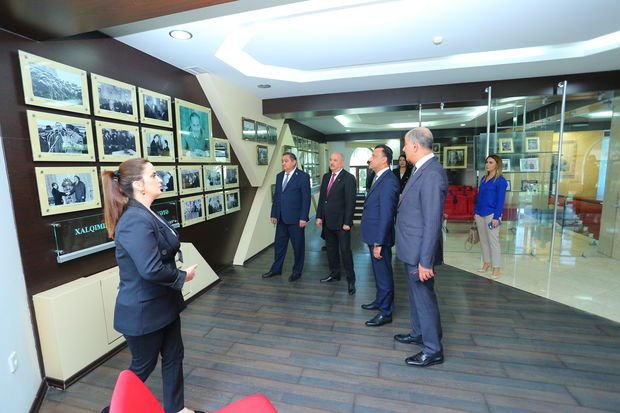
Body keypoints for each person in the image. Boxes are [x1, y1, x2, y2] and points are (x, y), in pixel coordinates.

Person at [101, 158, 203, 413]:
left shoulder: (148, 212)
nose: (160, 179)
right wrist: (182, 276)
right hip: (143, 311)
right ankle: (112, 410)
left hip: (164, 303)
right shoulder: (134, 220)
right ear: (139, 184)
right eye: (154, 175)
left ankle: (176, 409)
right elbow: (150, 269)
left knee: (174, 356)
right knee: (142, 368)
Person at [394, 127, 448, 367]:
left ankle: (433, 349)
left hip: (420, 253)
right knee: (416, 298)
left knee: (424, 300)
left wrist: (425, 261)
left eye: (406, 144)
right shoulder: (421, 169)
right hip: (412, 249)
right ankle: (419, 333)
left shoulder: (432, 173)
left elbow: (432, 221)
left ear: (415, 145)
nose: (404, 149)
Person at [360, 144, 400, 327]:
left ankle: (386, 312)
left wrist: (379, 242)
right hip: (373, 235)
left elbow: (386, 215)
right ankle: (380, 301)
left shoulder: (389, 181)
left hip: (380, 238)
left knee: (383, 275)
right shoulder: (377, 177)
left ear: (384, 160)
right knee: (378, 273)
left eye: (374, 156)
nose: (369, 159)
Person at [263, 152, 311, 282]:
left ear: (294, 162)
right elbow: (277, 197)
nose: (283, 163)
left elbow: (306, 199)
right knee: (279, 246)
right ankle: (276, 269)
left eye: (286, 161)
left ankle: (297, 271)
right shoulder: (279, 176)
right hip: (281, 218)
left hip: (296, 219)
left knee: (298, 247)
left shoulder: (303, 177)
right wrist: (274, 214)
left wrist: (303, 217)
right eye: (282, 161)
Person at [316, 152, 357, 295]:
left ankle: (351, 280)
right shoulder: (326, 177)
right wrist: (319, 216)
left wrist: (347, 222)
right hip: (327, 221)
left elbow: (351, 202)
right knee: (331, 250)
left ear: (342, 163)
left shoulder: (348, 178)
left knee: (345, 251)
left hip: (342, 223)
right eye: (330, 160)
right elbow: (323, 199)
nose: (332, 162)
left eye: (335, 160)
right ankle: (334, 274)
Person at [474, 154, 508, 278]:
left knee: (493, 241)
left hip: (492, 214)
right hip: (480, 213)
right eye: (487, 162)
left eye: (491, 162)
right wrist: (476, 212)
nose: (487, 165)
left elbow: (500, 201)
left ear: (497, 165)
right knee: (483, 240)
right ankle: (486, 263)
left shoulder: (501, 181)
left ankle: (496, 268)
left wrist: (496, 217)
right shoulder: (483, 179)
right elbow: (480, 197)